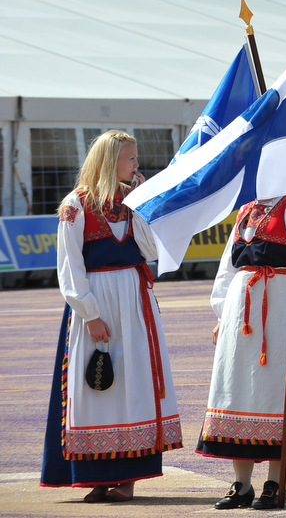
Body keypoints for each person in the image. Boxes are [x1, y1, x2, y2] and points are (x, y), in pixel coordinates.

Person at [41, 130, 183, 502]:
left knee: (134, 382)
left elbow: (152, 249)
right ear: (110, 161)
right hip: (97, 303)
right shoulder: (76, 205)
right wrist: (89, 314)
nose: (137, 165)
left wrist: (143, 204)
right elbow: (69, 266)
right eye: (131, 159)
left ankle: (129, 476)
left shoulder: (133, 202)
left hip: (135, 303)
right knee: (97, 387)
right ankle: (97, 475)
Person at [196, 194, 286, 509]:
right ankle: (241, 485)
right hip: (239, 312)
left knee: (273, 388)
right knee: (236, 388)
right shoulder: (246, 211)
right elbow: (227, 271)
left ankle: (274, 483)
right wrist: (221, 315)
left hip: (279, 308)